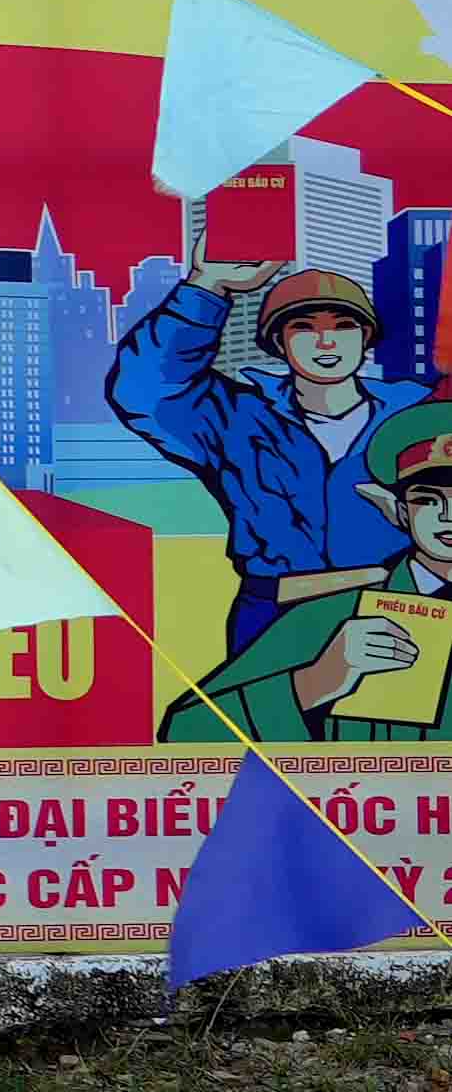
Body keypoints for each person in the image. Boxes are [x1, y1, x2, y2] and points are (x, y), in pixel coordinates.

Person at [119, 262, 413, 673]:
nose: (326, 341)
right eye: (304, 328)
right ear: (279, 341)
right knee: (262, 712)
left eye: (344, 326)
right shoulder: (237, 417)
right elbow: (143, 390)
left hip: (394, 607)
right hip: (274, 615)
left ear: (365, 336)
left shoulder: (414, 415)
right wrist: (208, 286)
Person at [183, 396, 452, 740]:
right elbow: (188, 730)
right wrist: (316, 682)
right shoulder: (334, 615)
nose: (447, 516)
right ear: (401, 513)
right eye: (428, 500)